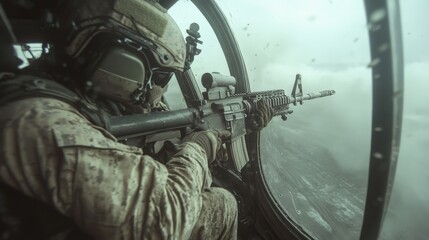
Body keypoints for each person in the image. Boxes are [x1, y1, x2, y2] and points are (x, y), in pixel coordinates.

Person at [0, 0, 273, 239]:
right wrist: (198, 146)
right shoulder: (40, 120)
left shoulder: (83, 100)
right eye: (161, 75)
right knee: (224, 203)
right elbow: (162, 222)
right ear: (123, 63)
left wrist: (243, 125)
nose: (159, 87)